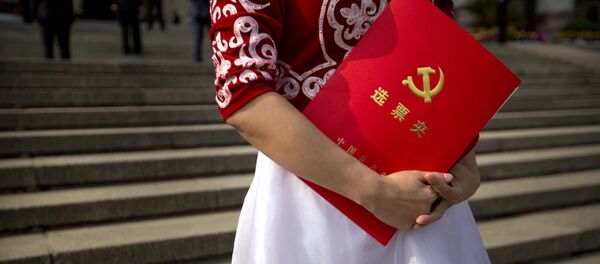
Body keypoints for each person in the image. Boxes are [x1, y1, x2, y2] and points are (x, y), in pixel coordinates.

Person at [210, 0, 489, 263]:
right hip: (314, 192)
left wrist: (465, 162)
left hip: (426, 193)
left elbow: (441, 37)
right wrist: (373, 190)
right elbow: (243, 90)